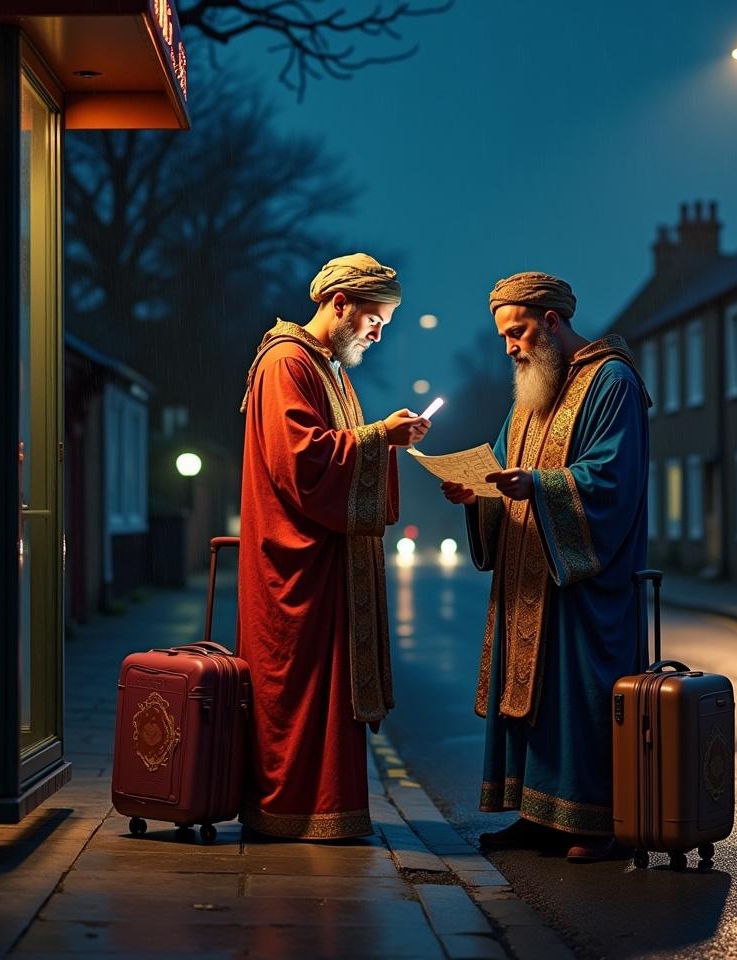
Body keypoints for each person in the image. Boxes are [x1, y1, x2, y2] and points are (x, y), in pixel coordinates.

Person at [441, 271, 651, 862]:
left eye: (519, 331)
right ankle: (536, 816)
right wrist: (476, 495)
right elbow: (502, 468)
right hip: (526, 581)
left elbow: (611, 480)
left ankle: (592, 821)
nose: (511, 347)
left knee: (579, 697)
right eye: (505, 336)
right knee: (528, 697)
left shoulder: (612, 381)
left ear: (552, 322)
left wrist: (536, 485)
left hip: (583, 583)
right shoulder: (533, 393)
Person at [237, 253, 429, 839]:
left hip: (326, 566)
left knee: (328, 693)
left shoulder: (327, 368)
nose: (378, 331)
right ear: (339, 304)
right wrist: (379, 438)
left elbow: (332, 449)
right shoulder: (286, 362)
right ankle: (293, 813)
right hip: (295, 568)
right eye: (375, 318)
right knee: (297, 693)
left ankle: (329, 811)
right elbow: (302, 461)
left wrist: (380, 440)